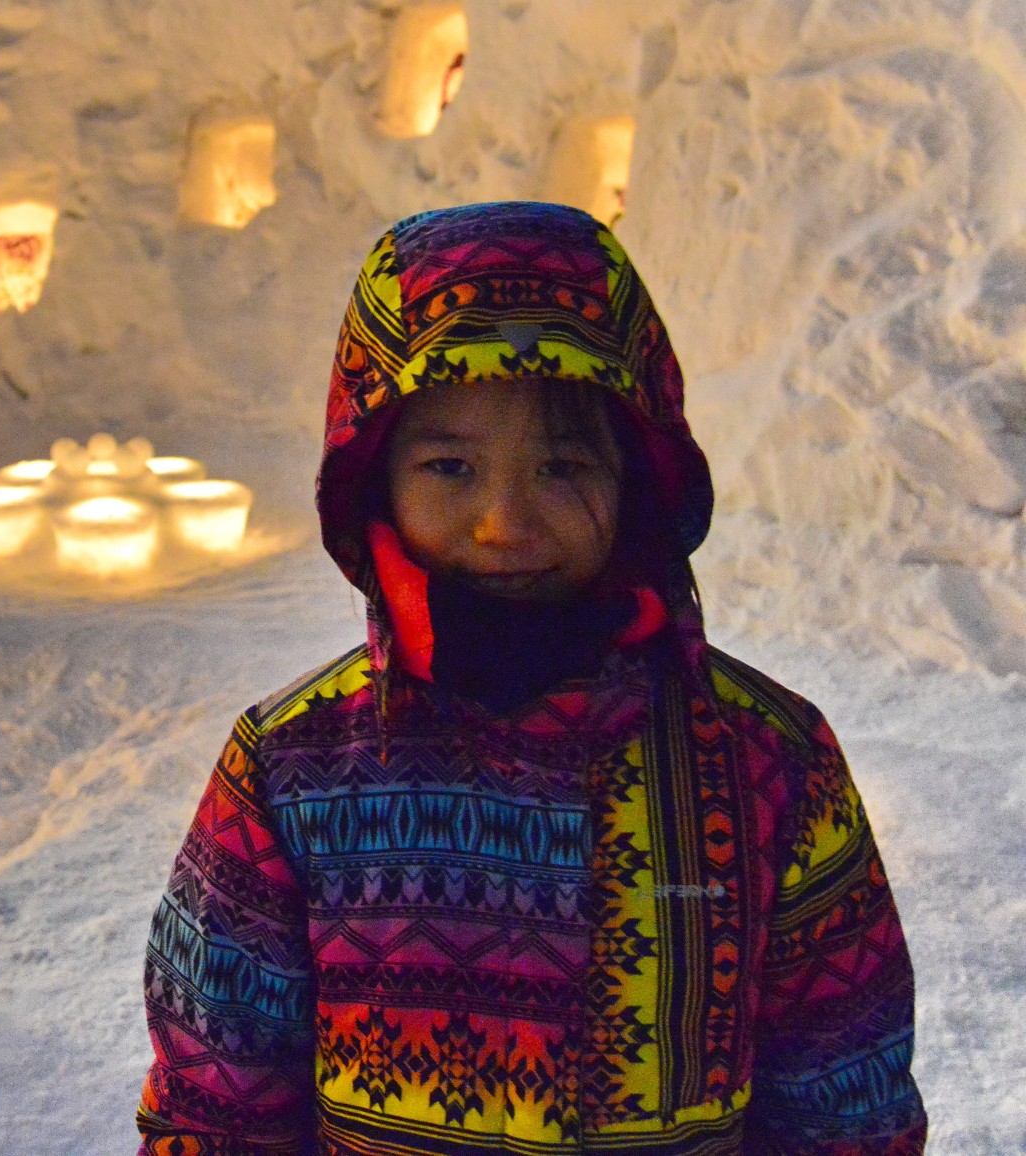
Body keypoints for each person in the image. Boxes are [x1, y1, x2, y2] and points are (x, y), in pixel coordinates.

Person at [135, 202, 926, 1155]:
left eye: (561, 466)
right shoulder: (293, 770)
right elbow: (214, 1111)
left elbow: (848, 1110)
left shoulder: (769, 765)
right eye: (450, 466)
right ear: (372, 475)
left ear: (640, 475)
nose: (505, 521)